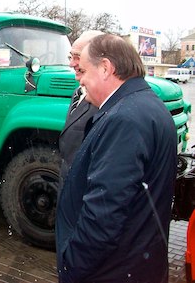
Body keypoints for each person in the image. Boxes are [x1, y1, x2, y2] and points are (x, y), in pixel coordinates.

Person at [56, 34, 177, 283]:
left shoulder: (124, 119)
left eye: (84, 71)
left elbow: (104, 213)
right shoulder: (146, 106)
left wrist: (72, 265)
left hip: (112, 271)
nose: (81, 82)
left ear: (105, 68)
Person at [58, 30, 103, 193]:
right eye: (71, 57)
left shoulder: (103, 98)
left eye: (78, 57)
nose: (72, 64)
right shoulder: (79, 91)